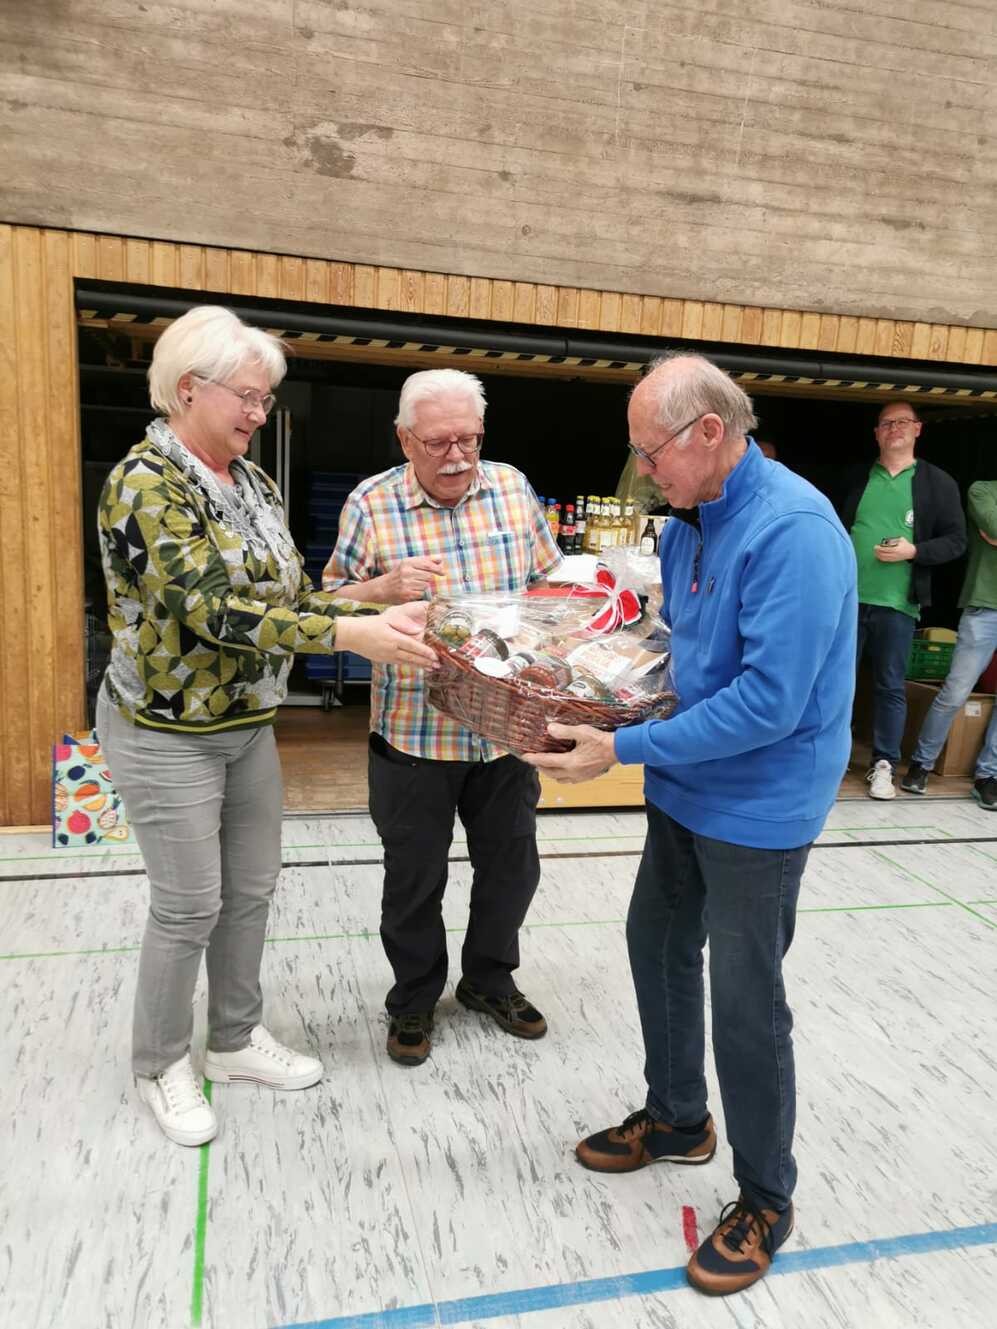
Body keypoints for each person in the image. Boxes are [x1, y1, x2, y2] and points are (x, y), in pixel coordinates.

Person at [524, 353, 856, 1296]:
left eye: (651, 451)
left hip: (759, 801)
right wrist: (597, 672)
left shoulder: (793, 531)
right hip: (685, 781)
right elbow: (684, 650)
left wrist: (617, 749)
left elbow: (768, 704)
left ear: (710, 432)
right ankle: (676, 1116)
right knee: (656, 941)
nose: (642, 470)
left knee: (747, 998)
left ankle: (765, 1195)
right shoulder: (687, 521)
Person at [97, 306, 436, 1147]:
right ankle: (158, 1062)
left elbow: (282, 600)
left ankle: (235, 1037)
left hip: (246, 721)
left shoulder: (251, 482)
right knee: (189, 905)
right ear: (187, 389)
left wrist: (369, 597)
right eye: (246, 396)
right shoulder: (145, 484)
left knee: (250, 889)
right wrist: (348, 634)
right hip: (166, 727)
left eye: (265, 399)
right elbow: (214, 612)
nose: (258, 412)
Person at [323, 368, 562, 1067]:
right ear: (405, 439)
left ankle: (489, 980)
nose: (457, 456)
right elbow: (325, 602)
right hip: (412, 735)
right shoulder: (371, 504)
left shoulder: (512, 488)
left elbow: (548, 583)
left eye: (469, 439)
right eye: (438, 442)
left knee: (511, 871)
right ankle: (414, 997)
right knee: (413, 881)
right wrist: (380, 587)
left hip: (503, 734)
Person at [839, 403, 965, 799]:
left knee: (889, 685)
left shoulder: (937, 482)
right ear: (876, 433)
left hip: (898, 603)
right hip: (847, 600)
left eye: (903, 422)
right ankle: (830, 757)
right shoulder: (856, 476)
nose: (895, 428)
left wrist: (914, 551)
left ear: (918, 429)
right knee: (836, 682)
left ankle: (884, 765)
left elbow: (956, 541)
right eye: (887, 423)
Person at [901, 481, 997, 808]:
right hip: (984, 605)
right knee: (956, 691)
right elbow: (993, 526)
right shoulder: (984, 490)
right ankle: (921, 764)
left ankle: (988, 776)